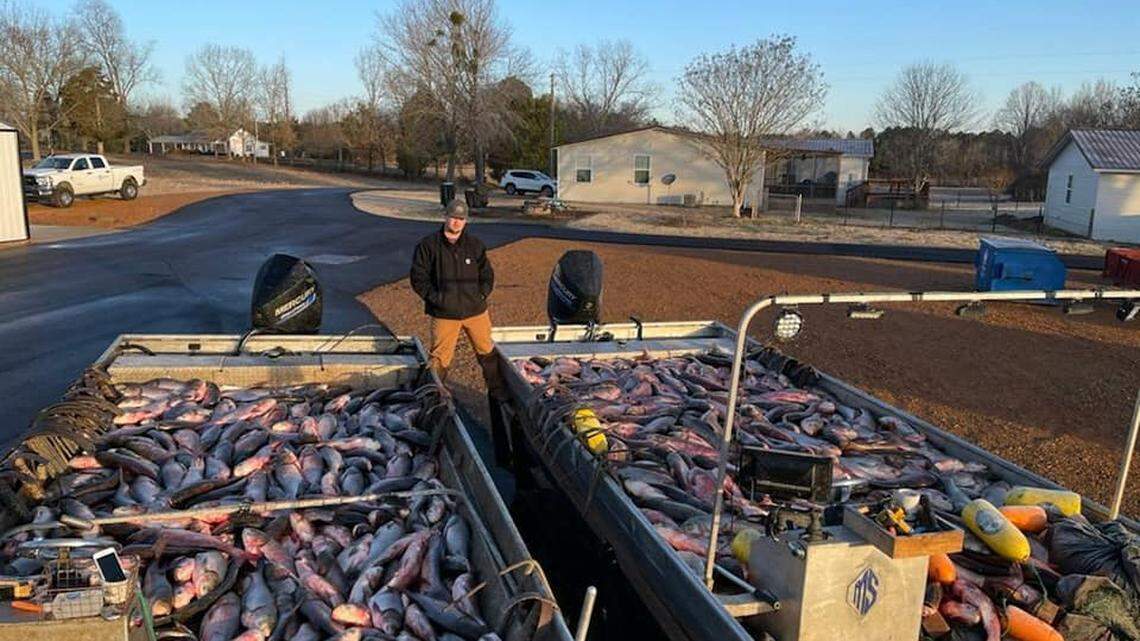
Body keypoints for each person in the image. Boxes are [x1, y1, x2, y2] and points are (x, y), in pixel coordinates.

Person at [409, 199, 504, 398]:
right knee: (439, 360)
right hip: (444, 315)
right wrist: (437, 299)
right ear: (445, 216)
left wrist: (481, 294)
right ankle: (432, 397)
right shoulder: (428, 246)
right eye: (453, 217)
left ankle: (498, 397)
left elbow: (487, 275)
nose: (456, 222)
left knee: (488, 354)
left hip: (476, 312)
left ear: (466, 221)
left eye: (461, 218)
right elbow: (418, 278)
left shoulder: (475, 245)